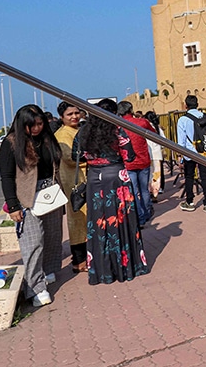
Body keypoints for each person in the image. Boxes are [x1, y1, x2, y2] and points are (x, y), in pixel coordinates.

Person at [73, 98, 149, 285]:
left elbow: (75, 154)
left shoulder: (83, 132)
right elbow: (129, 155)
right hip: (117, 179)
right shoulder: (117, 130)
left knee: (98, 223)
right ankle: (126, 266)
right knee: (122, 221)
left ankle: (102, 270)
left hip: (94, 181)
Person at [0, 105, 64, 307]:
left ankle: (48, 270)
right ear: (22, 124)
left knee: (54, 236)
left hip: (50, 193)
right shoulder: (11, 144)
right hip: (26, 199)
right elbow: (7, 177)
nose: (36, 128)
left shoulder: (47, 139)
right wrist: (13, 205)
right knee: (33, 242)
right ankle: (36, 287)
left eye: (39, 123)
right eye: (31, 125)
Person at [55, 101, 88, 273]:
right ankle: (79, 259)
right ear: (62, 117)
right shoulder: (62, 135)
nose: (74, 116)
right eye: (70, 114)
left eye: (76, 113)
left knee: (86, 218)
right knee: (77, 219)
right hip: (73, 182)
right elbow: (70, 158)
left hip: (85, 180)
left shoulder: (78, 130)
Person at [117, 101, 155, 226]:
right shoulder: (142, 122)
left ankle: (139, 217)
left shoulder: (118, 125)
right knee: (144, 189)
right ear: (131, 109)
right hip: (143, 160)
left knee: (133, 191)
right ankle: (147, 211)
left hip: (128, 163)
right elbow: (154, 134)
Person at [177, 95, 206, 213]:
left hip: (189, 152)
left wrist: (180, 156)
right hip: (203, 151)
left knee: (189, 176)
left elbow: (181, 141)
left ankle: (190, 202)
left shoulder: (182, 120)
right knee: (205, 176)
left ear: (185, 105)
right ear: (197, 104)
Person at [144, 111, 165, 202]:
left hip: (148, 154)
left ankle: (149, 192)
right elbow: (163, 141)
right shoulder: (158, 129)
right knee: (156, 176)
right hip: (157, 155)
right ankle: (155, 194)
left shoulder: (145, 128)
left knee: (149, 175)